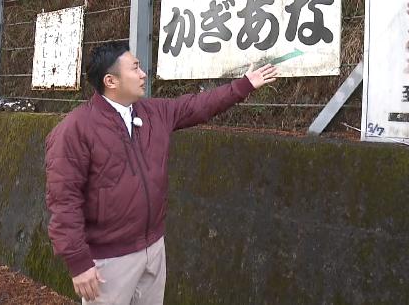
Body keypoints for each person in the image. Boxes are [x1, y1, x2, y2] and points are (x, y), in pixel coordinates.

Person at [45, 41, 278, 304]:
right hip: (109, 261)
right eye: (135, 68)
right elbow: (63, 201)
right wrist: (78, 262)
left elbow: (198, 105)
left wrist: (243, 85)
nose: (143, 73)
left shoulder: (154, 112)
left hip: (154, 248)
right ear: (111, 80)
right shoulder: (75, 129)